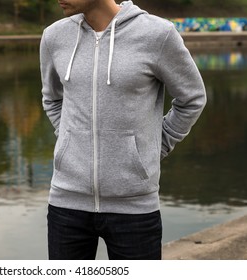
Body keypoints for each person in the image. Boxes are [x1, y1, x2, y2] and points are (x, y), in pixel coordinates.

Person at [39, 0, 206, 260]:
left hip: (135, 207)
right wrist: (70, 143)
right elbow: (52, 98)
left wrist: (152, 147)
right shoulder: (54, 36)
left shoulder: (157, 34)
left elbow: (192, 98)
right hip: (66, 203)